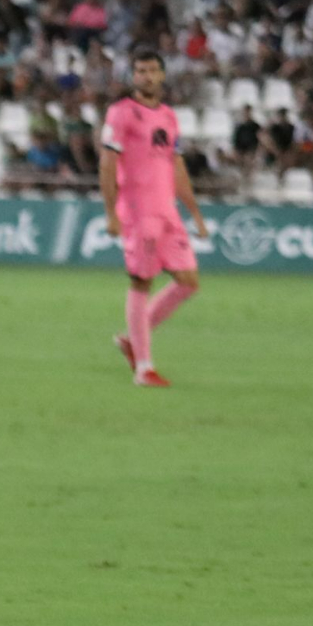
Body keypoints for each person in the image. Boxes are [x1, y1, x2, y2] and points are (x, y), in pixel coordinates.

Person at [99, 50, 208, 388]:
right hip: (138, 212)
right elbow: (106, 163)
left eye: (152, 70)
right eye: (140, 71)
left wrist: (194, 213)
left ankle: (134, 339)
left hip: (167, 211)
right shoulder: (121, 113)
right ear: (133, 76)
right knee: (141, 282)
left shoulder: (169, 116)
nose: (146, 76)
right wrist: (111, 212)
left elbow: (176, 166)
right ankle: (144, 368)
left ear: (162, 75)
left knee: (188, 281)